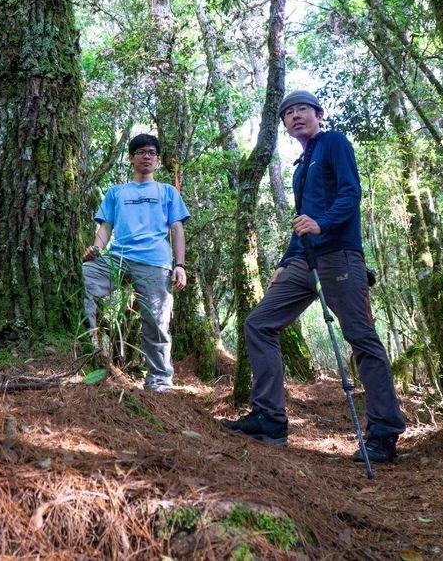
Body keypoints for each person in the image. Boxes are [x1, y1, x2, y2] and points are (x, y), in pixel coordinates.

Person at [220, 90, 406, 462]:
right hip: (305, 261)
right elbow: (301, 220)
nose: (294, 117)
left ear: (319, 114)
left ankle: (384, 432)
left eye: (301, 109)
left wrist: (323, 223)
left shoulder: (334, 142)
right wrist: (284, 262)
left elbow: (351, 193)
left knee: (361, 338)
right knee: (259, 323)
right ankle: (270, 419)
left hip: (340, 257)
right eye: (287, 114)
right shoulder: (301, 166)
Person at [82, 133, 190, 392]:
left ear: (158, 159)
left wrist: (180, 265)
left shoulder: (167, 192)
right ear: (131, 158)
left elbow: (177, 228)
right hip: (117, 258)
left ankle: (160, 380)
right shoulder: (116, 192)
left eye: (152, 153)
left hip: (154, 262)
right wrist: (97, 249)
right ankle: (85, 353)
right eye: (141, 152)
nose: (147, 156)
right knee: (81, 279)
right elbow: (106, 226)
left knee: (156, 322)